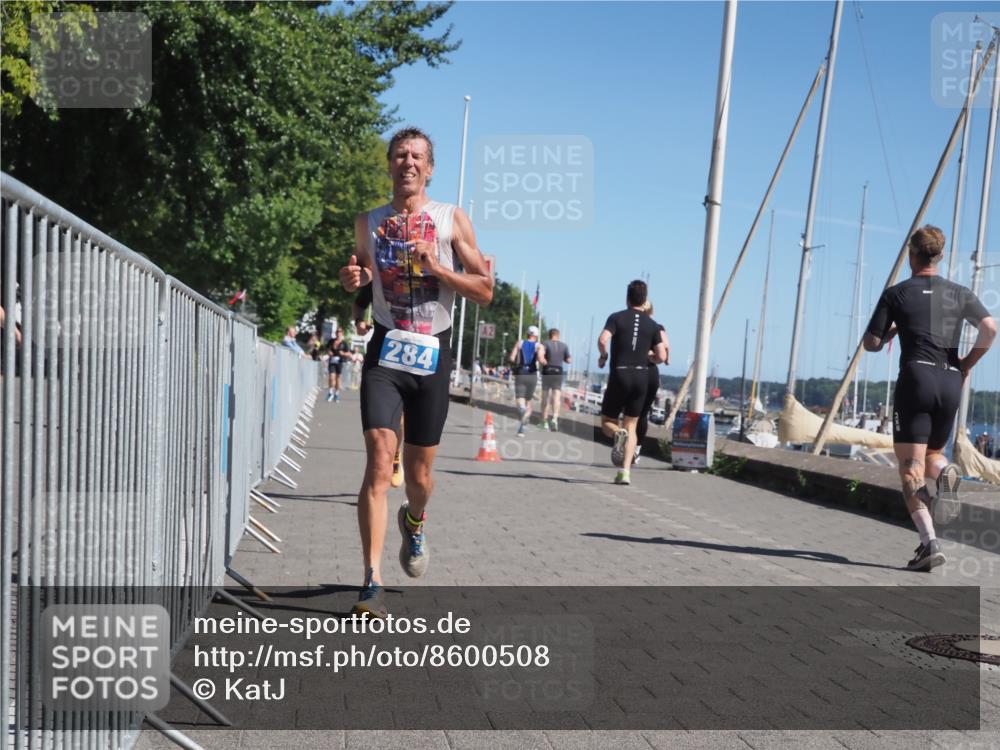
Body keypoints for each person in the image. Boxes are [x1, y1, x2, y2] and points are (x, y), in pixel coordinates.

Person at [338, 126, 493, 617]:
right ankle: (371, 579)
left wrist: (439, 270)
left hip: (433, 353)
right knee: (380, 462)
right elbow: (361, 275)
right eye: (400, 155)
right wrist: (353, 280)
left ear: (429, 168)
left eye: (417, 156)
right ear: (388, 164)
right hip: (386, 350)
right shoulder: (368, 222)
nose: (408, 162)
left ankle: (416, 519)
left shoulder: (451, 221)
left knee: (421, 475)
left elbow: (485, 289)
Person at [864, 225, 996, 572]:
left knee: (910, 467)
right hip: (951, 379)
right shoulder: (959, 292)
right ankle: (947, 472)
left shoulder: (897, 293)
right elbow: (990, 327)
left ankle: (929, 543)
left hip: (916, 376)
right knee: (933, 455)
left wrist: (894, 327)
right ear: (939, 255)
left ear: (912, 253)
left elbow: (872, 344)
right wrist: (966, 364)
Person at [597, 280, 667, 485]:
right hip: (641, 377)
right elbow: (662, 355)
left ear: (627, 298)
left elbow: (603, 340)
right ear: (644, 299)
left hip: (620, 374)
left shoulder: (616, 317)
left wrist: (603, 356)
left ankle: (617, 434)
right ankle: (624, 473)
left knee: (607, 422)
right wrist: (651, 359)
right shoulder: (653, 325)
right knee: (632, 425)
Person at [354, 283, 404, 489]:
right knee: (378, 432)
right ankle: (378, 476)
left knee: (402, 420)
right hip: (383, 358)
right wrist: (360, 322)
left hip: (414, 359)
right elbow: (359, 304)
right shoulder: (381, 276)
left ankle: (396, 454)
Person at [634, 302, 669, 463]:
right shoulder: (658, 327)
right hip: (651, 372)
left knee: (630, 412)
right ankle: (637, 448)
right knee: (643, 414)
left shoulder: (636, 326)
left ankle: (629, 445)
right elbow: (666, 349)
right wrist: (657, 356)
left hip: (635, 371)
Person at [509, 325, 541, 437]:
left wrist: (515, 362)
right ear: (536, 336)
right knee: (529, 402)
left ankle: (522, 411)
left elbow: (512, 358)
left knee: (520, 400)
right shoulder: (538, 346)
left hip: (521, 373)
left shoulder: (520, 343)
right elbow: (541, 359)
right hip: (532, 375)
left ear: (527, 334)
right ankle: (522, 428)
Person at [538, 328, 571, 431]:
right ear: (558, 335)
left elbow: (540, 355)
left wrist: (543, 361)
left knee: (545, 396)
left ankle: (544, 422)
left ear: (550, 335)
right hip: (558, 372)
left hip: (548, 370)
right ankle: (555, 418)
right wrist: (563, 358)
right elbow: (569, 360)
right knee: (556, 396)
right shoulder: (564, 346)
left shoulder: (545, 343)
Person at [325, 329, 352, 402]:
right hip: (332, 361)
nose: (338, 334)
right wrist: (329, 352)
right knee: (331, 377)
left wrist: (343, 354)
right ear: (336, 333)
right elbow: (327, 349)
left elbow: (349, 354)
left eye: (340, 333)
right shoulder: (331, 341)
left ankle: (336, 394)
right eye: (337, 332)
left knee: (338, 378)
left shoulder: (344, 343)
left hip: (340, 362)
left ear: (342, 334)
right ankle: (330, 392)